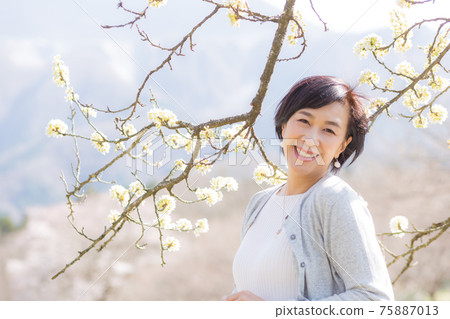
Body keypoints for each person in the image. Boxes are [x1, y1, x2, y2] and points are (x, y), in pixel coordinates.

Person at [224, 76, 394, 301]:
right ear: (284, 125)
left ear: (342, 145)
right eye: (304, 121)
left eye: (329, 131)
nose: (311, 139)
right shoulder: (260, 202)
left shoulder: (335, 200)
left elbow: (375, 300)